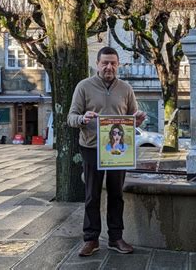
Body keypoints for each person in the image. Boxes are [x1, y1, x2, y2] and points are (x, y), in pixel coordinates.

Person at [68, 47, 146, 257]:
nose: (109, 67)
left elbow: (132, 117)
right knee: (92, 194)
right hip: (92, 147)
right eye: (105, 63)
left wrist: (138, 119)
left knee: (116, 194)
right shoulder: (83, 86)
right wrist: (82, 119)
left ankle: (115, 237)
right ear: (97, 63)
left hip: (118, 151)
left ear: (118, 64)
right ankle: (91, 239)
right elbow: (71, 117)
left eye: (113, 63)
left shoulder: (126, 88)